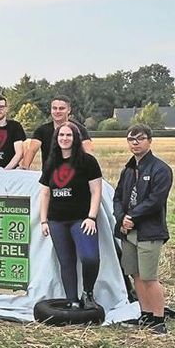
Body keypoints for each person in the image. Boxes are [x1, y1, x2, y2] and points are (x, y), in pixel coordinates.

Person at [114, 124, 174, 334]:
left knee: (149, 277)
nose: (135, 143)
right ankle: (145, 315)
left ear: (150, 140)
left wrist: (132, 217)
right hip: (127, 231)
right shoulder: (129, 168)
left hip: (149, 231)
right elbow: (118, 196)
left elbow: (155, 201)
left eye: (139, 139)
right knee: (136, 275)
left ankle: (159, 319)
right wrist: (122, 218)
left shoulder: (161, 169)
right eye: (131, 139)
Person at [38, 122, 104, 309]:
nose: (64, 139)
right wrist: (44, 220)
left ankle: (88, 293)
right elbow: (44, 193)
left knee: (90, 258)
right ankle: (72, 301)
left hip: (81, 219)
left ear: (75, 139)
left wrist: (91, 217)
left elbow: (96, 191)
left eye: (69, 135)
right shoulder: (51, 163)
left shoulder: (88, 162)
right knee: (66, 262)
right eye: (61, 135)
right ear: (56, 139)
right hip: (56, 220)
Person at [21, 95, 93, 170]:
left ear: (69, 110)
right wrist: (24, 168)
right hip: (49, 177)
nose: (57, 111)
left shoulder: (80, 130)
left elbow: (88, 153)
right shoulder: (41, 130)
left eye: (61, 108)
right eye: (54, 108)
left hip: (74, 175)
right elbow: (32, 150)